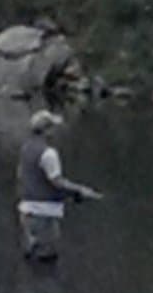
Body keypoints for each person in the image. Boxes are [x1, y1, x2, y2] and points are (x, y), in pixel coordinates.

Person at [15, 107, 95, 263]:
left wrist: (71, 194)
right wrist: (80, 191)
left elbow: (23, 177)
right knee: (47, 261)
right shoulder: (49, 154)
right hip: (45, 214)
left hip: (26, 213)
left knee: (30, 260)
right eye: (54, 128)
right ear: (48, 131)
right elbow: (57, 182)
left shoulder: (26, 149)